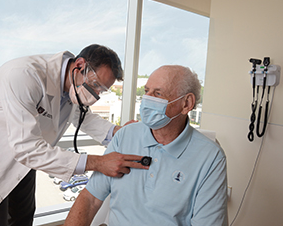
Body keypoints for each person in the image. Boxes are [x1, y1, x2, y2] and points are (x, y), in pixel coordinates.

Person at [0, 44, 148, 226]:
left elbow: (84, 117)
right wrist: (99, 163)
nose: (95, 94)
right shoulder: (25, 75)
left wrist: (117, 132)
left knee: (23, 218)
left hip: (25, 162)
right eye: (95, 85)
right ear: (80, 65)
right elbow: (27, 148)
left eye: (102, 90)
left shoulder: (72, 86)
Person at [64, 65, 228, 226]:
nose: (147, 99)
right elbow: (90, 198)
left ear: (186, 104)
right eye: (146, 91)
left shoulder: (210, 158)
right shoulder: (125, 136)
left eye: (158, 93)